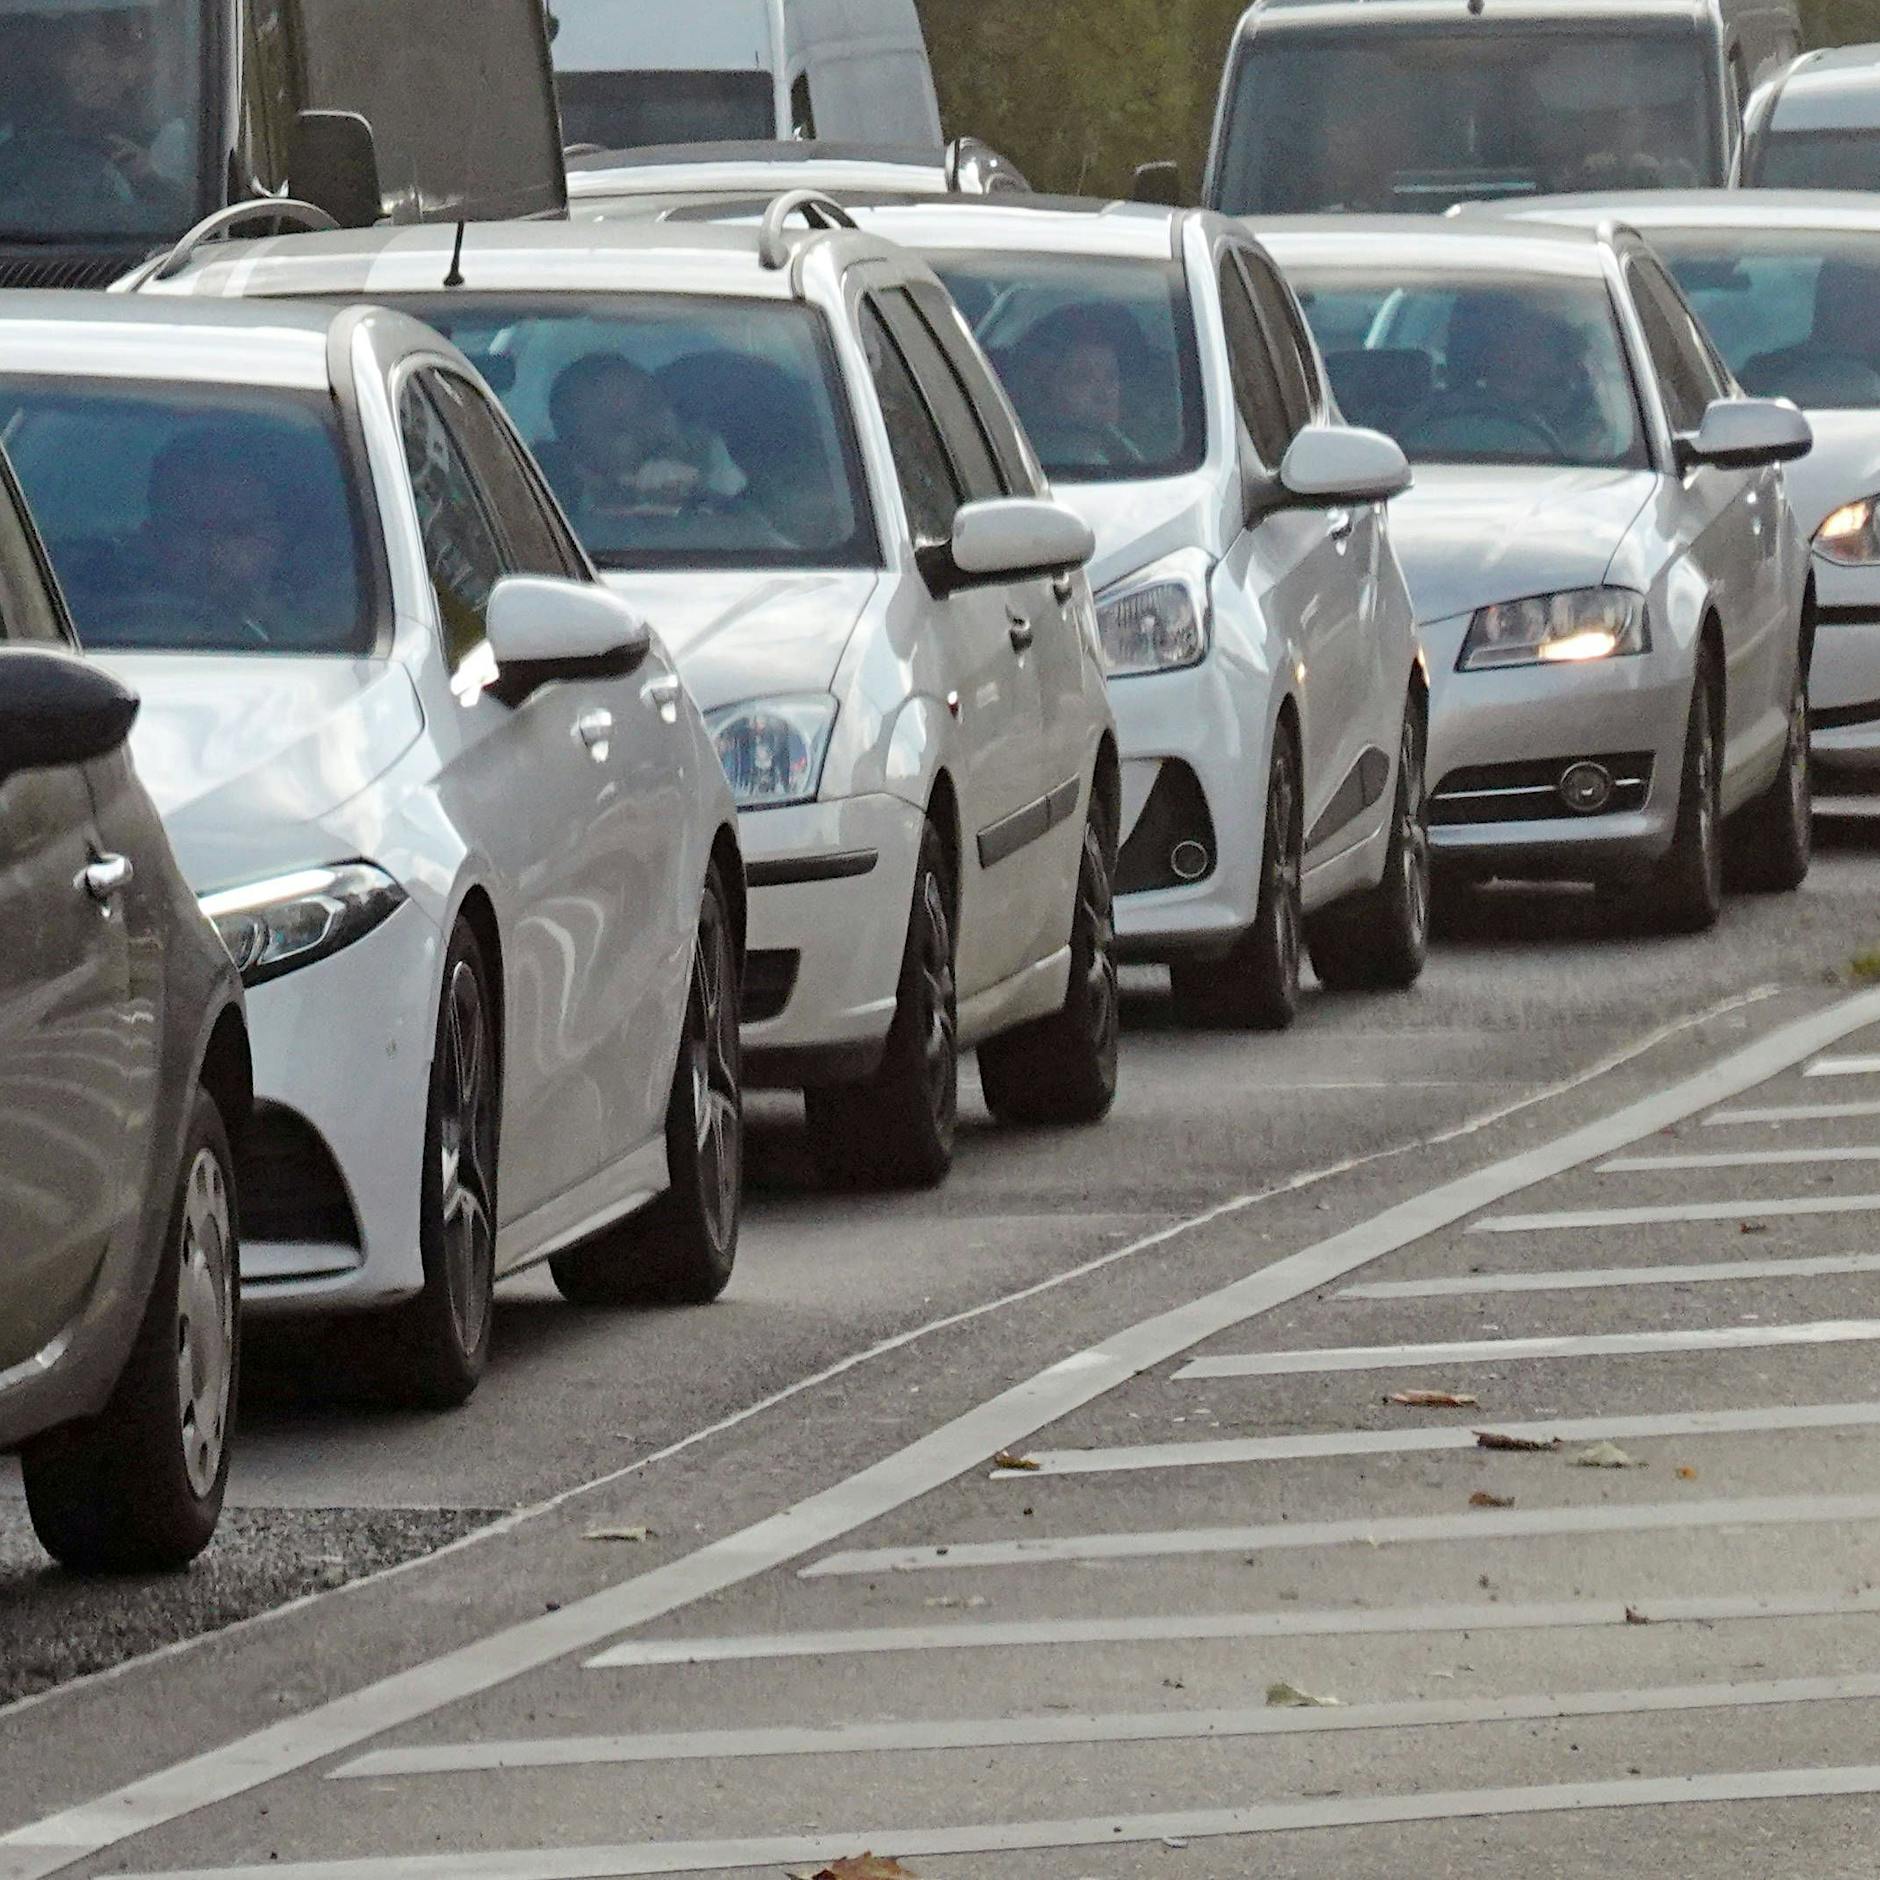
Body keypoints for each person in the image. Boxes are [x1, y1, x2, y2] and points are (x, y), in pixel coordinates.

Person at [0, 2, 190, 218]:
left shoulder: (176, 143)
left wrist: (147, 178)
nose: (81, 69)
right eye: (76, 56)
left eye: (98, 59)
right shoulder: (22, 137)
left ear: (131, 69)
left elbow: (192, 232)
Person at [537, 353, 750, 542]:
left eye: (650, 408)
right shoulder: (555, 530)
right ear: (582, 462)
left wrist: (699, 498)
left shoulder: (724, 471)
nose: (646, 431)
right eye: (618, 428)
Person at [1007, 305, 1146, 471]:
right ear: (1048, 387)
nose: (1103, 393)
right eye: (1083, 378)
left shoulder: (1117, 445)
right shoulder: (1038, 459)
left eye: (1111, 377)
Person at [1742, 258, 1880, 410]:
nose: (1859, 312)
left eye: (1867, 299)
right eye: (1846, 299)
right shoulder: (1767, 373)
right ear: (1822, 304)